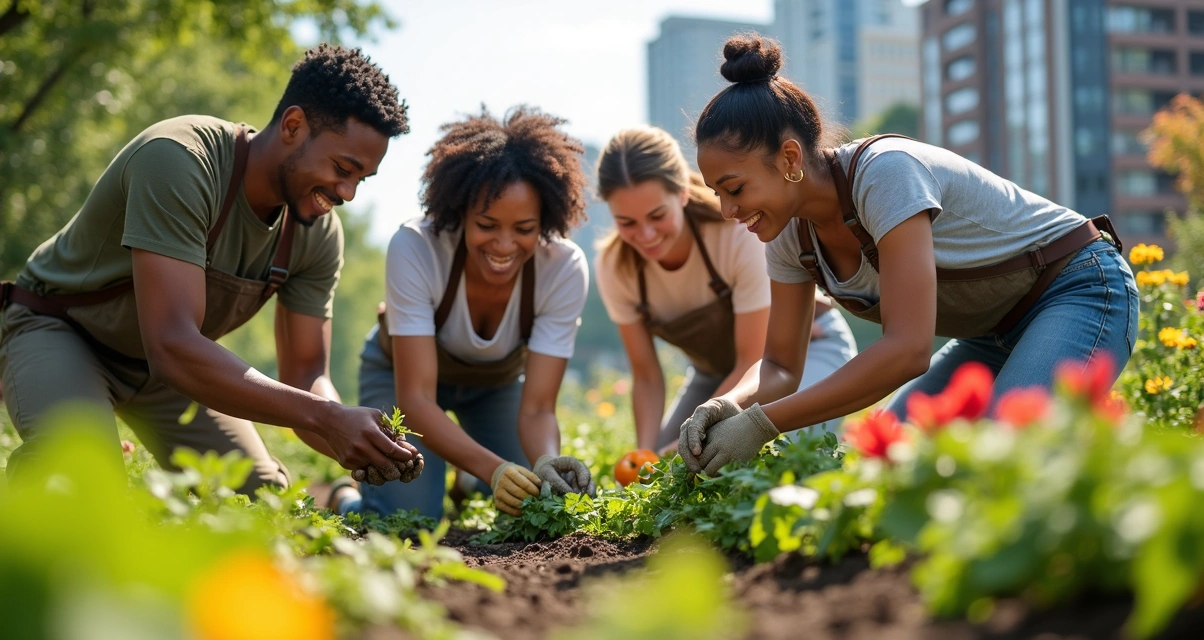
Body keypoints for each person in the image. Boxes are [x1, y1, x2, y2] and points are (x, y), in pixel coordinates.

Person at [679, 35, 1138, 476]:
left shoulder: (886, 173)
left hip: (1077, 288)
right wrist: (730, 404)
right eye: (717, 193)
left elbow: (908, 350)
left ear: (790, 158)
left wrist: (764, 424)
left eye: (735, 189)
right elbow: (780, 365)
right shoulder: (786, 237)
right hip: (992, 333)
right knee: (878, 471)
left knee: (1002, 460)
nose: (727, 210)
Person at [0, 44, 423, 493]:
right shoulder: (180, 160)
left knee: (260, 500)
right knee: (83, 483)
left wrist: (356, 435)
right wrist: (328, 418)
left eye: (361, 180)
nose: (348, 193)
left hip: (165, 372)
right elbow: (173, 344)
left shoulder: (317, 233)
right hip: (62, 331)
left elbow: (306, 374)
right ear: (293, 125)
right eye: (342, 168)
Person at [330, 106, 594, 519]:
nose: (505, 245)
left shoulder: (563, 267)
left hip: (494, 387)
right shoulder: (416, 246)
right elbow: (416, 399)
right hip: (404, 384)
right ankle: (344, 499)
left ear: (544, 222)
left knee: (540, 499)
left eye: (524, 229)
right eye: (487, 224)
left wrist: (545, 461)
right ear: (461, 214)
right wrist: (496, 469)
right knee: (409, 521)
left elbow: (538, 408)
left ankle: (468, 479)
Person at [593, 127, 856, 452]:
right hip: (713, 376)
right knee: (661, 472)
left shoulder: (736, 233)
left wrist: (686, 444)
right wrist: (646, 454)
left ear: (682, 194)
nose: (645, 234)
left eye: (657, 215)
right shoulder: (614, 266)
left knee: (772, 454)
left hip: (797, 357)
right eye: (627, 223)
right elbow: (646, 375)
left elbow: (753, 357)